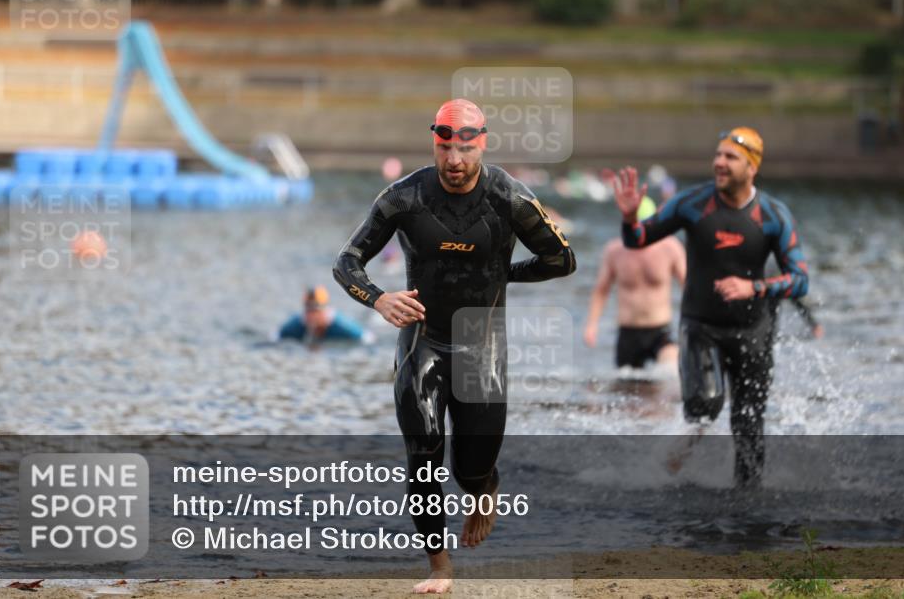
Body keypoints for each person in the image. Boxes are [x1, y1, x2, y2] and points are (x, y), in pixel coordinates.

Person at [333, 99, 576, 594]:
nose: (455, 160)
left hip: (480, 346)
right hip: (422, 341)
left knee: (471, 471)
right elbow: (347, 262)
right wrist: (379, 300)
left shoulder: (509, 197)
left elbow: (562, 260)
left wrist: (505, 276)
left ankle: (485, 487)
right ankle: (440, 565)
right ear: (435, 144)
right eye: (445, 148)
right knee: (423, 454)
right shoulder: (405, 196)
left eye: (465, 148)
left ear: (481, 142)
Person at [610, 126, 809, 487]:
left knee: (749, 421)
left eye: (730, 157)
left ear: (752, 167)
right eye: (717, 155)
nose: (719, 162)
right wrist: (628, 219)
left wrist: (754, 287)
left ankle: (747, 499)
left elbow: (801, 280)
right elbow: (638, 239)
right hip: (701, 325)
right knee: (706, 405)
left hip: (755, 330)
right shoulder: (692, 203)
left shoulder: (774, 215)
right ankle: (668, 467)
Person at [584, 196, 687, 369]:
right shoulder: (614, 250)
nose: (640, 234)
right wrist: (591, 325)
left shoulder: (670, 247)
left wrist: (696, 325)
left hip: (660, 330)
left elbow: (689, 286)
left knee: (669, 373)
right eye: (636, 228)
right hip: (628, 333)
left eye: (644, 227)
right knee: (626, 387)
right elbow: (601, 291)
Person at [277, 285, 370, 344]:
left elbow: (367, 338)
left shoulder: (342, 326)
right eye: (308, 311)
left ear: (325, 311)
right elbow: (276, 338)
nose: (312, 316)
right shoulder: (296, 324)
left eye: (315, 311)